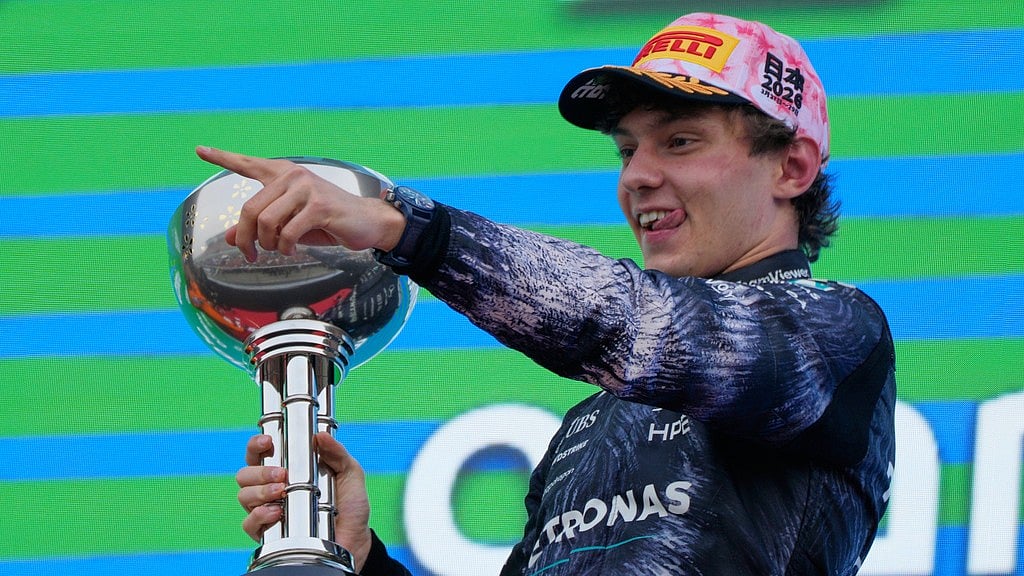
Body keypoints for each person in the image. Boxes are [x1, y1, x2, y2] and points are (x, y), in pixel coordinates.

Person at [210, 11, 895, 576]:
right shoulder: (589, 428)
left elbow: (636, 322)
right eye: (627, 150)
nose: (638, 177)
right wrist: (359, 556)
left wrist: (406, 228)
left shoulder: (837, 333)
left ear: (792, 167)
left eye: (680, 141)